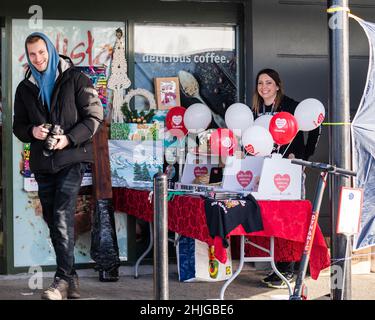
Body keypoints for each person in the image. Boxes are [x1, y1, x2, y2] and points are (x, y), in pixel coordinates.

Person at [13, 32, 103, 300]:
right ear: (28, 57)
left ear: (50, 51)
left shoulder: (76, 79)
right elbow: (18, 126)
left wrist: (68, 139)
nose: (38, 59)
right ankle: (71, 277)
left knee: (62, 215)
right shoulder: (24, 87)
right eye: (32, 55)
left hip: (72, 159)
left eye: (42, 52)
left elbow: (95, 116)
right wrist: (33, 131)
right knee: (53, 220)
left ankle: (61, 280)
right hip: (43, 164)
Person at [252, 68, 321, 289]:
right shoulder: (256, 109)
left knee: (290, 218)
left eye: (269, 83)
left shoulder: (291, 105)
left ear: (278, 85)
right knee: (273, 219)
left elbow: (315, 129)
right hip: (266, 169)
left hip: (289, 171)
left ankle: (290, 269)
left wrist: (303, 156)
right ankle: (278, 268)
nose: (264, 87)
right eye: (261, 83)